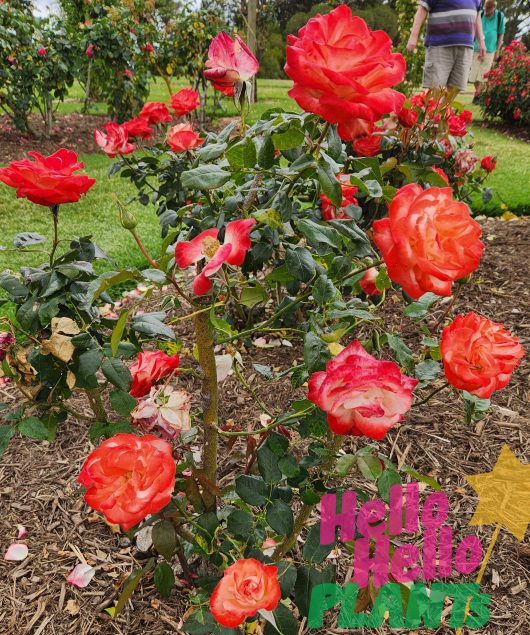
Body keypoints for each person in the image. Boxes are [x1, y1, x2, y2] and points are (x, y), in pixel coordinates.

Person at [407, 0, 486, 93]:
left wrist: (481, 41)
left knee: (455, 89)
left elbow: (477, 16)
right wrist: (413, 36)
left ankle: (445, 108)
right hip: (440, 46)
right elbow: (422, 9)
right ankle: (434, 107)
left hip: (466, 47)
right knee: (435, 89)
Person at [470, 0, 505, 101]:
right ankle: (479, 94)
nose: (486, 10)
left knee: (483, 75)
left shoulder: (499, 16)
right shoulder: (480, 14)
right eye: (485, 7)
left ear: (494, 8)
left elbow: (501, 33)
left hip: (491, 50)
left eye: (488, 9)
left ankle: (477, 96)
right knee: (474, 76)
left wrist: (497, 51)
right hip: (477, 48)